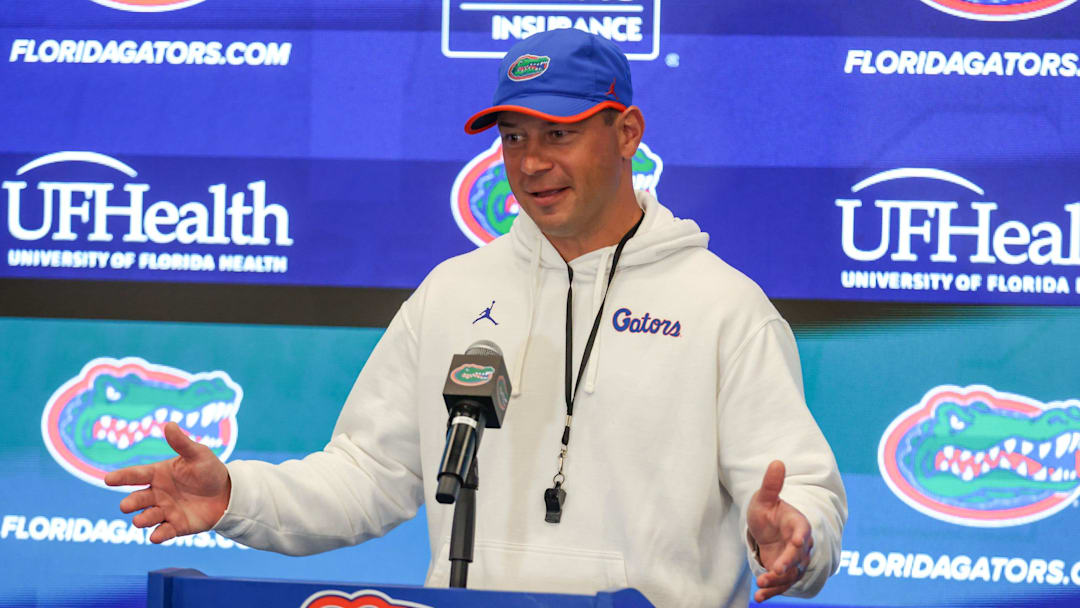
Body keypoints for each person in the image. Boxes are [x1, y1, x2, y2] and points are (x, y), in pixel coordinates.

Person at [105, 29, 846, 607]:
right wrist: (236, 496)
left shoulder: (723, 308)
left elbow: (801, 493)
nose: (530, 164)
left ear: (627, 133)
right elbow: (366, 475)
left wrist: (798, 538)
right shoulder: (453, 293)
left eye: (559, 133)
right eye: (514, 137)